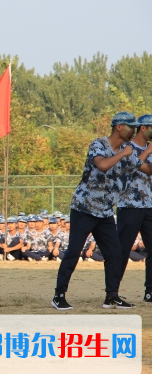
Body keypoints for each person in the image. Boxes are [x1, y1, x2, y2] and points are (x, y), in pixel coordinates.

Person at [53, 112, 152, 310]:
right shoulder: (98, 144)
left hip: (106, 211)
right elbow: (103, 165)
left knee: (115, 253)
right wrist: (124, 154)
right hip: (84, 208)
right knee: (73, 252)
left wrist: (145, 152)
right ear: (118, 127)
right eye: (130, 126)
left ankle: (111, 297)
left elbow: (143, 169)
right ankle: (59, 295)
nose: (133, 130)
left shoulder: (127, 149)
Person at [114, 114, 152, 302]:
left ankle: (150, 291)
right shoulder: (126, 147)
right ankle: (112, 292)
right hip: (129, 205)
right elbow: (130, 168)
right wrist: (148, 152)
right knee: (122, 249)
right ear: (143, 128)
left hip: (149, 205)